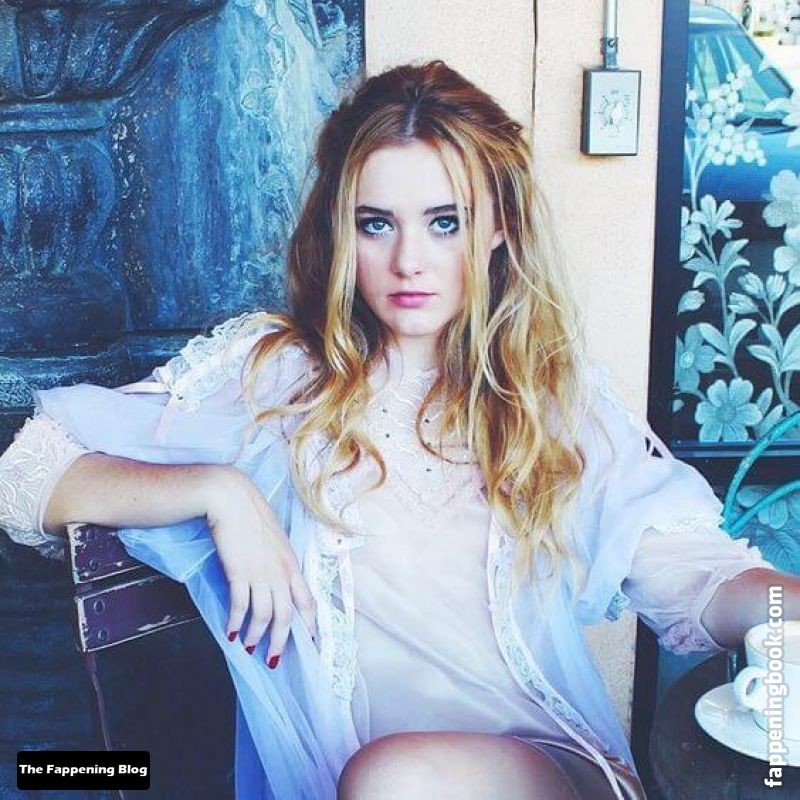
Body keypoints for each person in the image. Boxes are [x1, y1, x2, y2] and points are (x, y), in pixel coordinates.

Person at [1, 60, 797, 800]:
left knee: (395, 778)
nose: (409, 260)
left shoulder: (551, 399)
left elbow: (692, 576)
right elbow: (25, 476)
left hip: (545, 769)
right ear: (339, 229)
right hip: (351, 780)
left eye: (445, 222)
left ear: (499, 227)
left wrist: (783, 618)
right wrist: (220, 491)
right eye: (376, 224)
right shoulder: (275, 378)